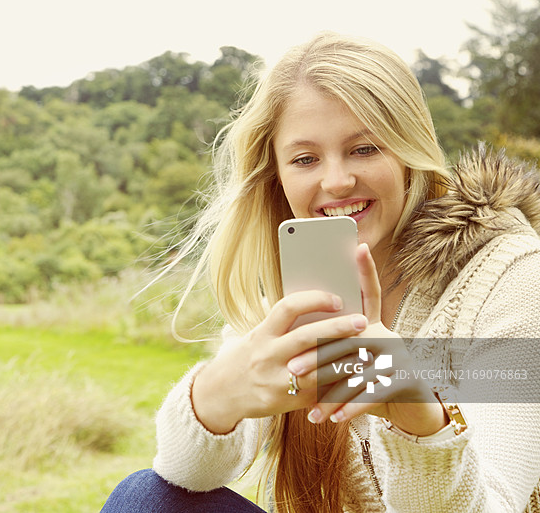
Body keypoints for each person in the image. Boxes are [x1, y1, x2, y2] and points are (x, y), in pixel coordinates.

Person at [101, 31, 540, 512]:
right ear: (278, 175)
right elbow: (185, 472)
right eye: (305, 159)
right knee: (145, 496)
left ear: (409, 152)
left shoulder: (513, 276)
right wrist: (214, 397)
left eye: (365, 148)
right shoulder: (294, 290)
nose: (336, 181)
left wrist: (419, 418)